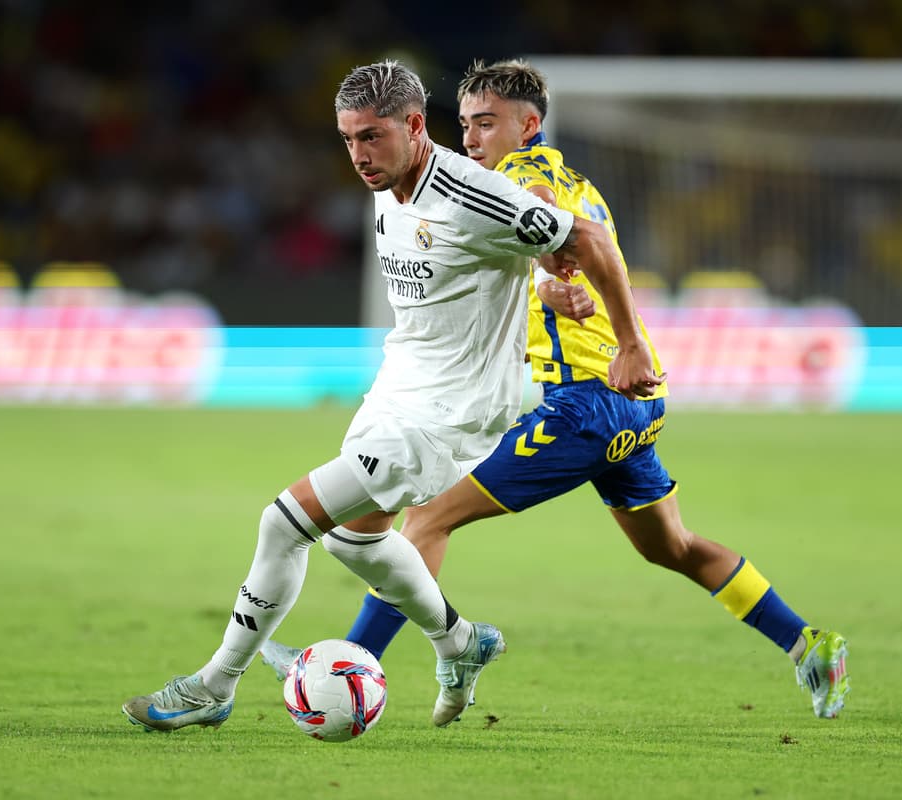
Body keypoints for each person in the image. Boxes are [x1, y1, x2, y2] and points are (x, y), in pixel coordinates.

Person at [262, 59, 850, 720]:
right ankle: (808, 644)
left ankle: (349, 659)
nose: (473, 138)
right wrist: (553, 286)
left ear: (529, 124)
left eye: (487, 123)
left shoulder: (518, 178)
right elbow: (551, 249)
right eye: (466, 125)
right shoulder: (574, 179)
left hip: (587, 403)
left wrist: (615, 332)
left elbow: (552, 226)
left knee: (427, 516)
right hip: (633, 403)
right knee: (671, 547)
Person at [122, 59, 665, 732]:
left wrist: (629, 343)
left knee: (282, 523)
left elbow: (587, 237)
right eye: (348, 139)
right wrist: (543, 274)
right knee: (354, 541)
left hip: (450, 411)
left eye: (372, 136)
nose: (359, 155)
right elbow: (524, 254)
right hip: (399, 385)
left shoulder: (472, 191)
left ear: (414, 125)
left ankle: (214, 685)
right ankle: (462, 643)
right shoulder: (386, 184)